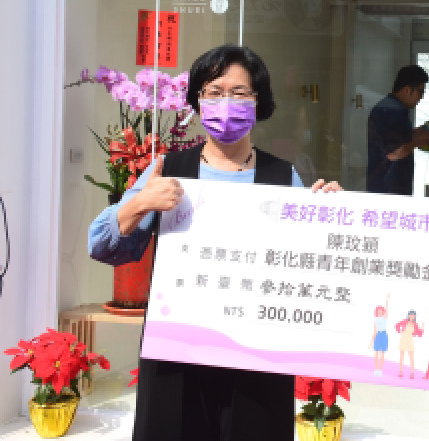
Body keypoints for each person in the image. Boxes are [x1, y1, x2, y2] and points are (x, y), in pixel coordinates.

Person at [88, 44, 341, 441]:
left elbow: (309, 264)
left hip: (256, 356)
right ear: (198, 100)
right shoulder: (169, 170)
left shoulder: (282, 177)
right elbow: (102, 246)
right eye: (214, 92)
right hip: (178, 355)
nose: (226, 103)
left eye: (239, 93)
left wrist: (329, 218)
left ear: (258, 102)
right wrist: (139, 204)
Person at [366, 65, 429, 195]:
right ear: (407, 89)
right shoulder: (390, 111)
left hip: (389, 188)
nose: (421, 97)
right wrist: (417, 141)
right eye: (421, 91)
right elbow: (392, 153)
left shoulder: (394, 108)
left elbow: (396, 139)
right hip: (388, 191)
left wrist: (416, 133)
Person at [394, 309, 425, 378]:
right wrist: (399, 331)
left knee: (411, 357)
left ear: (415, 316)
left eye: (413, 315)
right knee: (401, 356)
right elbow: (397, 325)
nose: (412, 316)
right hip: (403, 339)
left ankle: (412, 373)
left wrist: (422, 328)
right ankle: (400, 371)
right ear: (408, 315)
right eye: (410, 315)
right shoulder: (404, 321)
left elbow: (419, 334)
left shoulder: (415, 324)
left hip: (410, 340)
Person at [370, 293, 390, 376]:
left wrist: (387, 299)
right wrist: (371, 342)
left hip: (384, 335)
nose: (380, 312)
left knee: (382, 354)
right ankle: (376, 369)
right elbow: (374, 331)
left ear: (382, 311)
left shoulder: (384, 318)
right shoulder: (376, 320)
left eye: (381, 311)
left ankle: (380, 370)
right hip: (378, 335)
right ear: (376, 311)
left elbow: (387, 308)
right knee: (376, 353)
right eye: (378, 311)